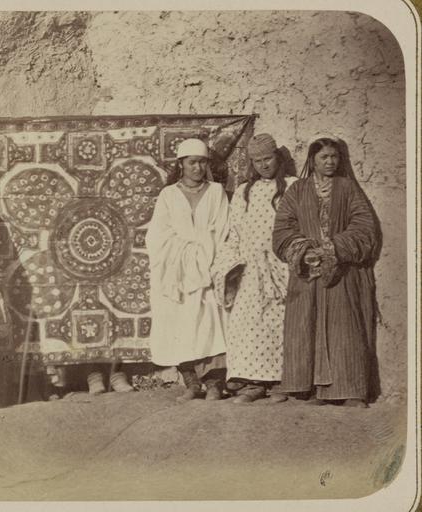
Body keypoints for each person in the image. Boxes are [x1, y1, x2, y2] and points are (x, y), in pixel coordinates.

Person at [272, 137, 379, 407]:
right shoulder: (297, 190)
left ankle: (351, 391)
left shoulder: (348, 188)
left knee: (345, 328)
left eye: (334, 156)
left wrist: (332, 249)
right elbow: (283, 228)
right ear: (313, 160)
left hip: (341, 271)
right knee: (305, 326)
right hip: (307, 272)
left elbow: (364, 227)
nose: (330, 162)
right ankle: (312, 389)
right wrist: (304, 251)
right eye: (324, 157)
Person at [213, 133, 297, 404]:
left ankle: (282, 382)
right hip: (250, 268)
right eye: (257, 161)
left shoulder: (293, 186)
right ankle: (254, 382)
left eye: (268, 159)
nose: (264, 165)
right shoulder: (244, 192)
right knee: (249, 323)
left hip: (281, 266)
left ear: (277, 158)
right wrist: (230, 264)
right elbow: (235, 232)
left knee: (280, 322)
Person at [146, 138, 230, 401]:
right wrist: (183, 253)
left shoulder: (216, 192)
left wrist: (207, 258)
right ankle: (191, 383)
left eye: (202, 162)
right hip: (177, 271)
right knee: (179, 322)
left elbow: (223, 229)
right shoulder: (168, 195)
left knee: (211, 323)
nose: (197, 168)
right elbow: (158, 235)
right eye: (192, 162)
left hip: (208, 265)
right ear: (181, 164)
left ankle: (214, 383)